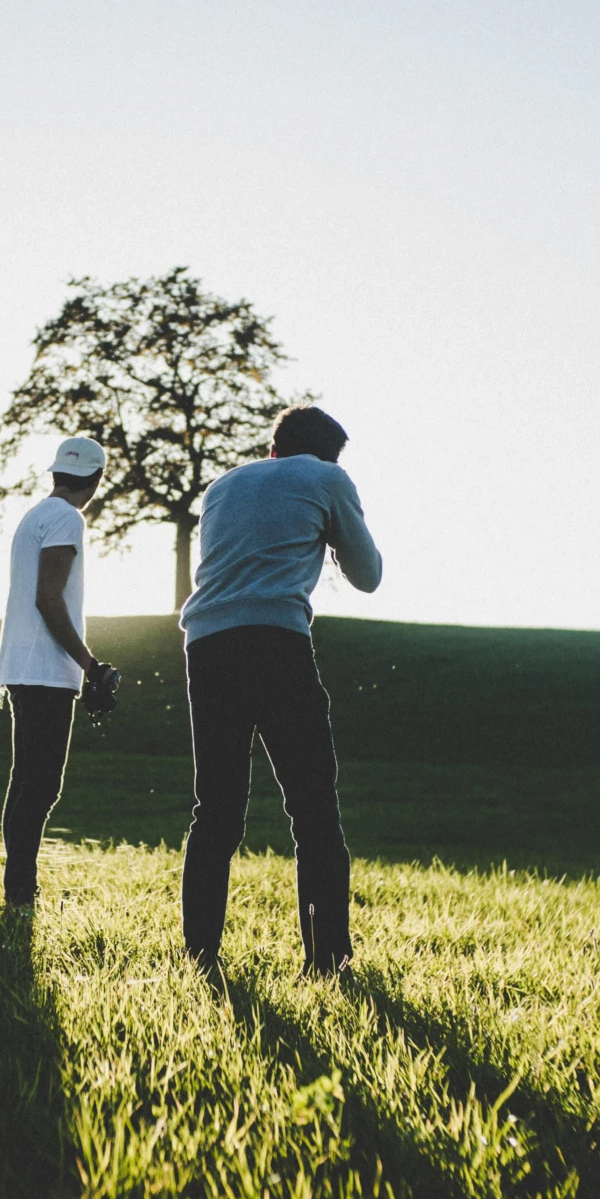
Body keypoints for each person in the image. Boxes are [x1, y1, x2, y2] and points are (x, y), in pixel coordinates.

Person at [177, 406, 382, 974]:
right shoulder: (327, 478)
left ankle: (200, 957)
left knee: (215, 809)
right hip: (276, 643)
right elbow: (368, 576)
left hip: (207, 645)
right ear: (329, 454)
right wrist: (335, 538)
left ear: (274, 448)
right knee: (313, 808)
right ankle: (327, 961)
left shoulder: (220, 488)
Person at [0, 436, 121, 906]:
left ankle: (17, 890)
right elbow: (48, 598)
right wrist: (90, 665)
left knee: (25, 780)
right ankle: (21, 893)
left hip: (19, 664)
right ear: (95, 479)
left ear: (55, 473)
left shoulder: (35, 516)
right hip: (46, 668)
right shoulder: (68, 517)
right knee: (42, 786)